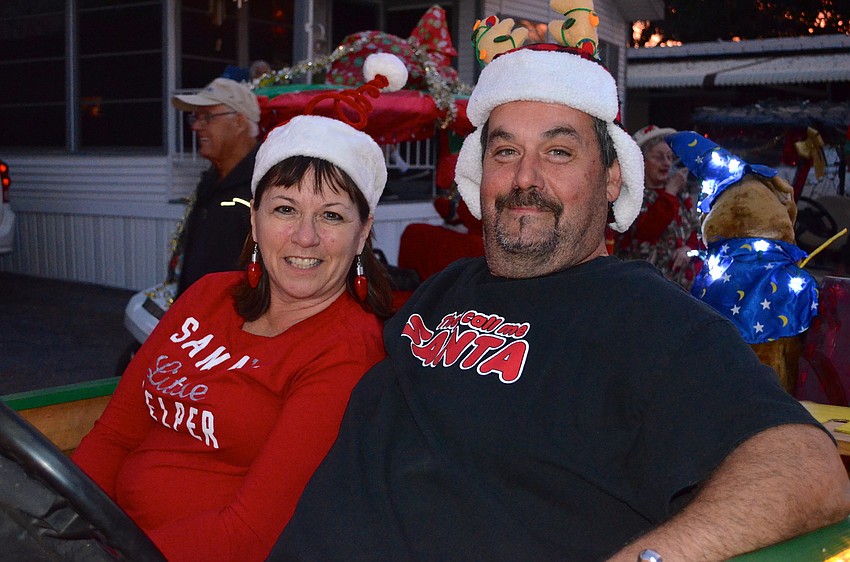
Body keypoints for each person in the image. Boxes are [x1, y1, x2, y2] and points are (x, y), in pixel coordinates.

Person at [270, 43, 850, 561]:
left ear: (611, 179)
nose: (525, 178)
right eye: (504, 152)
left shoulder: (651, 320)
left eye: (559, 153)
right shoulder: (441, 289)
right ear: (480, 174)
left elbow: (806, 470)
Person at [72, 111, 395, 561]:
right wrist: (59, 524)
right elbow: (114, 437)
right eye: (285, 209)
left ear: (362, 233)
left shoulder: (347, 351)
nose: (306, 236)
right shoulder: (207, 295)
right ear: (255, 220)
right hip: (109, 534)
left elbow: (250, 535)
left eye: (332, 216)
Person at [170, 77, 261, 296]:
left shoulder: (265, 187)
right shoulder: (212, 181)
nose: (195, 126)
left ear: (239, 122)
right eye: (196, 117)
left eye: (207, 117)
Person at [616, 124, 702, 289]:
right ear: (642, 161)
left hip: (682, 288)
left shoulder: (680, 194)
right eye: (659, 157)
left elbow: (695, 230)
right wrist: (669, 193)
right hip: (644, 287)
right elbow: (646, 234)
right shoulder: (630, 196)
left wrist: (688, 249)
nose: (667, 163)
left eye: (670, 157)